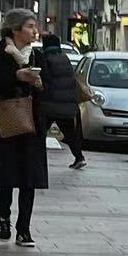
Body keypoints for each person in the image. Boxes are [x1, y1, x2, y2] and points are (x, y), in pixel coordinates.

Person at [0, 10, 47, 247]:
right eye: (29, 26)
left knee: (30, 176)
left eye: (34, 26)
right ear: (15, 29)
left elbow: (48, 87)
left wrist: (39, 82)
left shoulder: (37, 56)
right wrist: (16, 76)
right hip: (5, 118)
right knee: (6, 173)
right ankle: (4, 215)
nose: (34, 31)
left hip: (31, 120)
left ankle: (24, 229)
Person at [36, 32, 85, 168]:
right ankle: (79, 157)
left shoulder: (45, 59)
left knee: (39, 133)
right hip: (67, 104)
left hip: (50, 104)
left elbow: (46, 81)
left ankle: (36, 160)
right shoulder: (65, 59)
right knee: (70, 133)